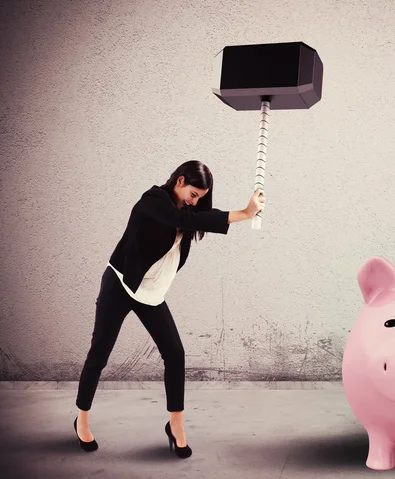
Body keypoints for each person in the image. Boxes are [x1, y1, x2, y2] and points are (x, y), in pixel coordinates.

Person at [73, 160, 265, 458]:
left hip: (150, 292)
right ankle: (82, 420)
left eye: (200, 197)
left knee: (175, 354)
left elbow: (198, 219)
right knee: (99, 352)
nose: (195, 201)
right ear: (179, 181)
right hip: (121, 283)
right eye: (193, 193)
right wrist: (244, 213)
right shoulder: (153, 200)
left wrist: (245, 210)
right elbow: (186, 221)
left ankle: (176, 426)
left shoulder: (188, 212)